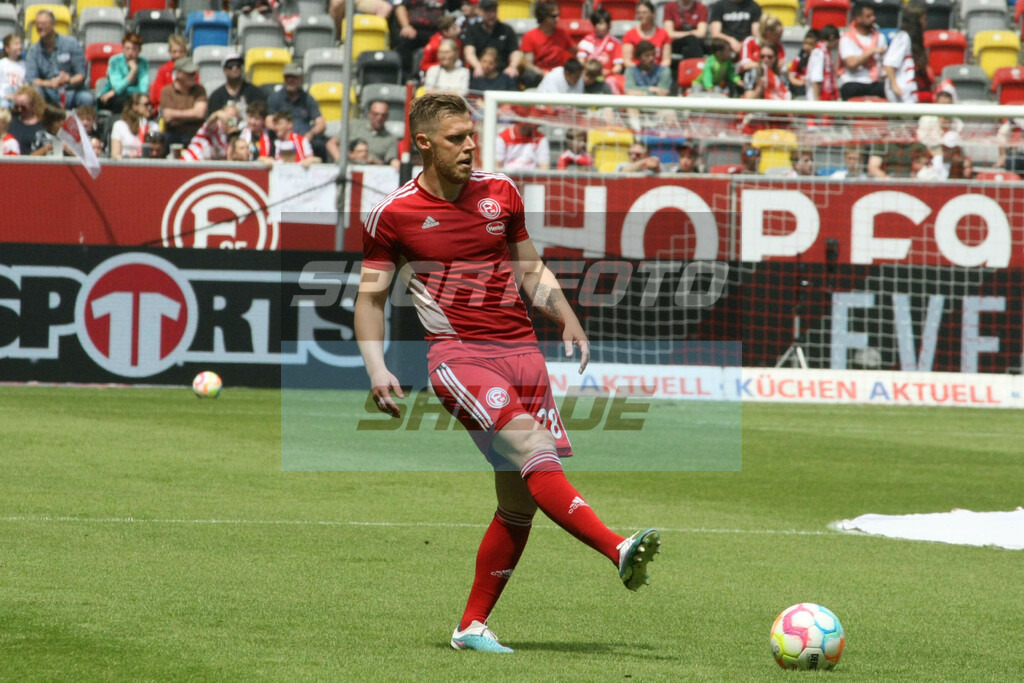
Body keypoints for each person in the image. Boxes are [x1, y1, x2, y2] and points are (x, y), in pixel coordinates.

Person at [355, 92, 660, 653]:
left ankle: (471, 626)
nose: (470, 145)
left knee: (518, 502)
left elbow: (530, 267)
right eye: (455, 138)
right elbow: (370, 299)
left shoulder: (502, 192)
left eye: (471, 134)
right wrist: (376, 369)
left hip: (523, 356)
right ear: (423, 143)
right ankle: (617, 548)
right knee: (533, 447)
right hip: (459, 358)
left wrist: (565, 313)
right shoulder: (391, 214)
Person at [25, 10, 93, 109]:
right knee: (35, 93)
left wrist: (69, 80)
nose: (39, 27)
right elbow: (32, 79)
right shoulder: (33, 50)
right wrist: (49, 83)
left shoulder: (71, 43)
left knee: (86, 98)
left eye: (43, 24)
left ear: (53, 25)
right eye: (37, 24)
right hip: (47, 93)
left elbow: (81, 74)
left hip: (71, 91)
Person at [266, 63, 327, 159]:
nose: (290, 80)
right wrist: (281, 130)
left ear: (300, 79)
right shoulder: (275, 98)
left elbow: (321, 122)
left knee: (320, 145)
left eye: (294, 77)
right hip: (282, 137)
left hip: (305, 138)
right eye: (288, 77)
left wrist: (311, 134)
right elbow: (269, 121)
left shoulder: (308, 99)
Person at [462, 0, 522, 82]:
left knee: (513, 76)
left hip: (502, 72)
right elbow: (469, 52)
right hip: (481, 71)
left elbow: (515, 51)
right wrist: (477, 66)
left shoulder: (506, 30)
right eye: (488, 11)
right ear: (480, 12)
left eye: (494, 11)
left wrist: (513, 66)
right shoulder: (473, 30)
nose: (492, 15)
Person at [519, 1, 575, 88]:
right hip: (540, 75)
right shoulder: (529, 36)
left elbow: (576, 52)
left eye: (558, 15)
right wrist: (544, 73)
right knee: (529, 76)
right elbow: (528, 64)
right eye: (553, 16)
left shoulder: (563, 34)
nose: (557, 19)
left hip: (560, 75)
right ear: (543, 17)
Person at [839, 2, 887, 100]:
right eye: (868, 16)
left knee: (886, 89)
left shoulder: (880, 37)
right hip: (853, 82)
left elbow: (885, 64)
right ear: (858, 18)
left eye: (873, 15)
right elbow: (851, 63)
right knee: (848, 90)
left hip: (874, 83)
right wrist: (872, 51)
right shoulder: (847, 38)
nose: (873, 18)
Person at [883, 5, 930, 104]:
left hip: (910, 91)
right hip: (901, 92)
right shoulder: (903, 37)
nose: (925, 23)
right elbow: (889, 64)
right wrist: (895, 86)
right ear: (916, 21)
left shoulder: (914, 41)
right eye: (923, 19)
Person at [159, 57, 207, 148]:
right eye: (190, 74)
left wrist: (175, 114)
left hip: (195, 133)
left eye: (194, 73)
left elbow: (200, 113)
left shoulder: (200, 90)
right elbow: (167, 117)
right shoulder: (167, 91)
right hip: (173, 133)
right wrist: (192, 113)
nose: (194, 76)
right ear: (179, 74)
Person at [338, 99, 400, 168]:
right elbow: (331, 143)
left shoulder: (391, 139)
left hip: (374, 172)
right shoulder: (354, 126)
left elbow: (390, 162)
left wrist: (375, 162)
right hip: (349, 168)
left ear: (387, 116)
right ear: (369, 114)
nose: (379, 118)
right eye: (376, 114)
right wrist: (341, 161)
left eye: (383, 115)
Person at [393, 0, 447, 78]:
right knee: (404, 42)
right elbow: (400, 8)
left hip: (436, 31)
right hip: (414, 30)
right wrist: (406, 26)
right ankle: (406, 78)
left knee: (445, 45)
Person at [98, 32, 149, 114]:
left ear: (139, 50)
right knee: (122, 102)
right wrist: (133, 71)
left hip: (127, 96)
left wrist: (114, 92)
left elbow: (143, 90)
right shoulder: (115, 61)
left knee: (143, 103)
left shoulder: (143, 63)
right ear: (123, 48)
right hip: (108, 97)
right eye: (127, 48)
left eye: (134, 49)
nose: (130, 52)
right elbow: (117, 86)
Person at [207, 52, 266, 117]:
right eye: (230, 65)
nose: (235, 68)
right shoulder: (216, 96)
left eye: (238, 64)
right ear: (224, 70)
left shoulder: (255, 92)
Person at [621, 1, 672, 69]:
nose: (641, 15)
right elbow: (627, 61)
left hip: (657, 71)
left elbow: (666, 60)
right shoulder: (630, 35)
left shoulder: (663, 34)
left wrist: (656, 71)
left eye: (644, 12)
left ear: (653, 14)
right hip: (637, 71)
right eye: (639, 13)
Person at [576, 9, 623, 77]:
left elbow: (618, 66)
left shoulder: (616, 43)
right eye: (595, 23)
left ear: (609, 25)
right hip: (588, 75)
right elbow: (581, 60)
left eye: (601, 23)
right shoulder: (586, 40)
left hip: (607, 77)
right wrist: (590, 70)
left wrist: (609, 72)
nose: (597, 26)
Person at [110, 92, 156, 159]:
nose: (149, 107)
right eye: (146, 104)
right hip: (126, 165)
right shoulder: (120, 126)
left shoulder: (154, 126)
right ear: (135, 106)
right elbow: (115, 155)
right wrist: (128, 157)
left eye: (150, 104)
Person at [149, 35, 189, 111]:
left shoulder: (191, 70)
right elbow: (159, 94)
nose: (177, 55)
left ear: (185, 52)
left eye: (181, 52)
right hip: (166, 107)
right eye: (174, 52)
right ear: (170, 52)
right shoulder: (163, 70)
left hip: (186, 107)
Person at [806, 25, 840, 102]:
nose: (837, 43)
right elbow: (816, 77)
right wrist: (816, 102)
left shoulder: (826, 52)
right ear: (832, 37)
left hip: (825, 99)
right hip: (818, 99)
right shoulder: (819, 52)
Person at [8, 86, 45, 153]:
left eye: (23, 107)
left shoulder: (43, 125)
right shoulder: (10, 122)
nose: (19, 110)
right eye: (17, 106)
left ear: (33, 104)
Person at [786, 29, 817, 99]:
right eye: (805, 43)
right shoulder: (798, 59)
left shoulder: (816, 60)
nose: (807, 46)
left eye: (810, 44)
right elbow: (791, 77)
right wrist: (802, 83)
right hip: (799, 90)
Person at [0, 34, 26, 110]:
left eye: (20, 43)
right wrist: (5, 96)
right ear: (7, 48)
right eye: (16, 44)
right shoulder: (2, 64)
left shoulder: (24, 65)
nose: (19, 46)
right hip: (5, 96)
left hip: (19, 94)